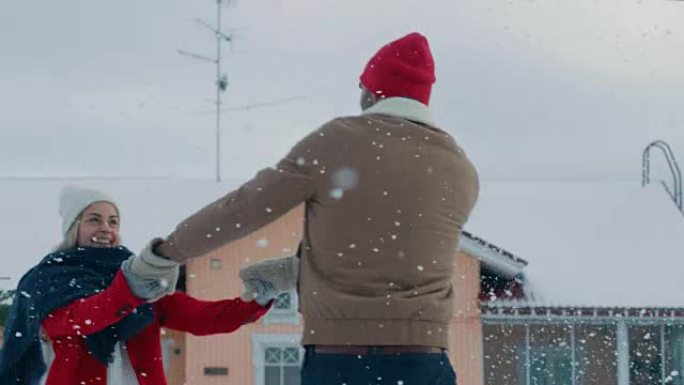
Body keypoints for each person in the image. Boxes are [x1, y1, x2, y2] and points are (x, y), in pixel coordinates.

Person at [130, 32, 479, 385]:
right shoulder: (460, 168)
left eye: (362, 85)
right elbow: (397, 253)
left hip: (341, 362)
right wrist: (301, 270)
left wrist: (164, 253)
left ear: (374, 91)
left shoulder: (339, 140)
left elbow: (246, 206)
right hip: (425, 362)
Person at [0, 186, 278, 385]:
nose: (106, 228)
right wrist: (130, 288)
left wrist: (256, 300)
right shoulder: (50, 279)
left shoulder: (138, 277)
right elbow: (79, 319)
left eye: (113, 221)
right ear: (73, 227)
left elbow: (202, 317)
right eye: (94, 219)